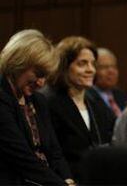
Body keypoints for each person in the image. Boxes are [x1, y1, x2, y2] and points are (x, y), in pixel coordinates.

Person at [0, 29, 75, 185]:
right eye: (38, 73)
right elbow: (22, 157)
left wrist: (68, 179)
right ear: (18, 62)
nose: (41, 83)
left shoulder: (38, 101)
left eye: (45, 76)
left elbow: (55, 151)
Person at [42, 36, 114, 180]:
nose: (91, 70)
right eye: (82, 64)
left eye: (93, 64)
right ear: (64, 66)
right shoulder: (48, 102)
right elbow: (50, 152)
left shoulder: (97, 102)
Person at [87, 48, 127, 118]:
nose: (111, 71)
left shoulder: (121, 95)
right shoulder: (87, 98)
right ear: (93, 70)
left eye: (114, 67)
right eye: (104, 67)